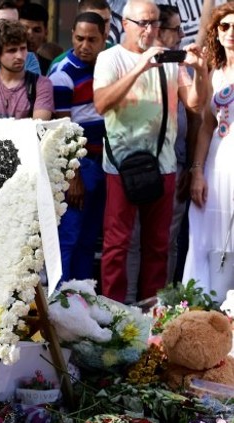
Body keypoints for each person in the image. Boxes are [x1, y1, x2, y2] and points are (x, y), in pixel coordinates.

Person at [94, 0, 207, 303]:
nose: (149, 29)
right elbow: (102, 104)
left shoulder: (169, 60)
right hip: (122, 165)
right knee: (117, 246)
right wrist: (141, 65)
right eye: (142, 23)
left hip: (164, 165)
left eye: (154, 23)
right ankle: (112, 315)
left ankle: (151, 318)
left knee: (158, 246)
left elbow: (195, 105)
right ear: (125, 24)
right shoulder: (110, 58)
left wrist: (201, 71)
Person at [49, 12, 109, 282]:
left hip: (104, 163)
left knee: (88, 240)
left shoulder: (108, 67)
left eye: (92, 39)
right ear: (72, 34)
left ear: (104, 37)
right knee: (69, 238)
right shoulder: (63, 73)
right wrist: (72, 177)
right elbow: (62, 129)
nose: (85, 45)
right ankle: (60, 302)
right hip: (78, 166)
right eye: (79, 38)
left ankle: (84, 302)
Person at [184, 2, 234, 298]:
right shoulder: (212, 72)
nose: (230, 33)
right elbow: (203, 124)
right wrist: (197, 172)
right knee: (208, 236)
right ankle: (209, 308)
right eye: (225, 26)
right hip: (215, 163)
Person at [0, 20, 53, 120]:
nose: (20, 56)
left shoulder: (41, 84)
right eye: (12, 50)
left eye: (23, 48)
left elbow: (39, 128)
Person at [49, 0, 113, 73]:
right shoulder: (59, 65)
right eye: (94, 20)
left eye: (106, 21)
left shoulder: (123, 57)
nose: (102, 27)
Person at [19, 2, 51, 74]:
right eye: (24, 29)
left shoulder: (50, 67)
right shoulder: (3, 64)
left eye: (36, 30)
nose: (30, 35)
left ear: (46, 33)